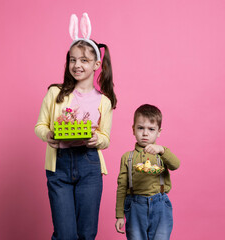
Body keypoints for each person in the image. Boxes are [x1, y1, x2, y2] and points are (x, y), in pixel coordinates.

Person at [35, 13, 117, 240]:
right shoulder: (55, 93)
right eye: (72, 59)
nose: (77, 65)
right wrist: (49, 134)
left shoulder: (104, 101)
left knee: (87, 233)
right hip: (58, 166)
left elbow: (105, 138)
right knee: (65, 234)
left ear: (96, 64)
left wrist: (95, 140)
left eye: (84, 60)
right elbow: (40, 125)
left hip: (89, 165)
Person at [115, 104, 180, 240]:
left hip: (160, 204)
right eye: (140, 128)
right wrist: (120, 215)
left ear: (159, 132)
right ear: (133, 130)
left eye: (151, 129)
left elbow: (176, 165)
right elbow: (121, 187)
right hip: (135, 205)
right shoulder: (128, 157)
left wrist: (162, 150)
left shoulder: (162, 153)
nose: (145, 133)